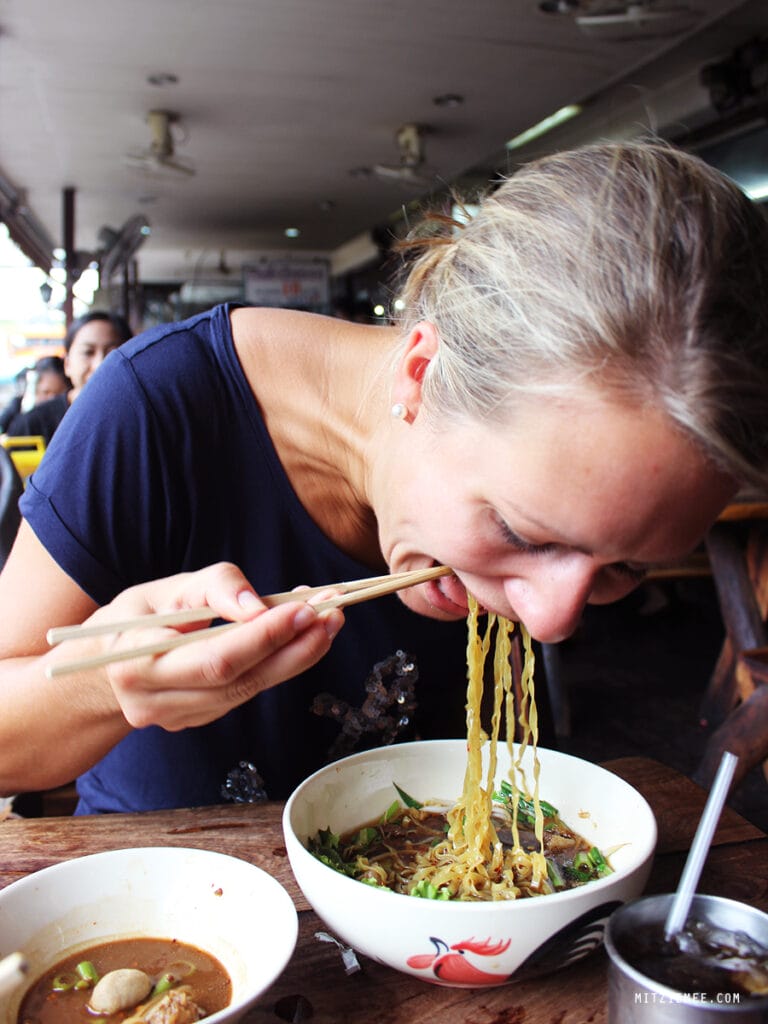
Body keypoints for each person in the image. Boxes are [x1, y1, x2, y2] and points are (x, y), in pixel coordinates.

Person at [0, 140, 766, 816]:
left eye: (624, 569)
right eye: (522, 533)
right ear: (419, 373)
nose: (551, 623)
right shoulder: (156, 408)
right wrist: (100, 686)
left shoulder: (523, 548)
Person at [5, 311, 132, 445]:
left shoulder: (140, 420)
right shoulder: (31, 426)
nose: (99, 364)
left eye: (112, 354)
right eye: (88, 352)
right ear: (67, 364)